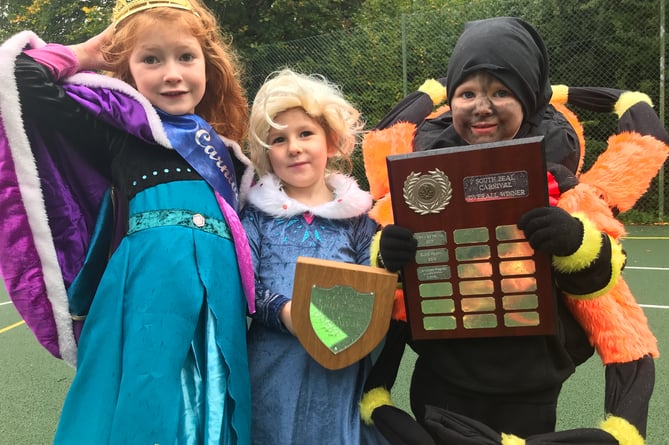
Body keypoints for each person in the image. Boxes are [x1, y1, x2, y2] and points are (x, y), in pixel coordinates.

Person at [359, 16, 668, 444]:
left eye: (501, 92)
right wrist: (386, 253)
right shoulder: (421, 175)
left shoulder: (560, 182)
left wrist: (574, 242)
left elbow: (604, 278)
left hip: (527, 385)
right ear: (451, 101)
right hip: (440, 375)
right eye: (466, 93)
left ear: (529, 101)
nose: (481, 106)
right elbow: (387, 281)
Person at [0, 0, 257, 443]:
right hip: (145, 284)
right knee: (142, 388)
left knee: (219, 390)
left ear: (208, 65)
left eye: (185, 56)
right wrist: (88, 53)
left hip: (219, 290)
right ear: (128, 71)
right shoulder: (117, 128)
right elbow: (20, 80)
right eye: (151, 59)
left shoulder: (225, 151)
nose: (172, 73)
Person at [240, 68, 387, 444]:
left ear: (331, 141)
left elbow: (371, 281)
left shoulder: (359, 216)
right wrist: (288, 313)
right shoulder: (256, 213)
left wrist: (344, 320)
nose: (294, 147)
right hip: (272, 359)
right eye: (278, 139)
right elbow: (245, 282)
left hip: (339, 358)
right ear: (265, 152)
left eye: (306, 133)